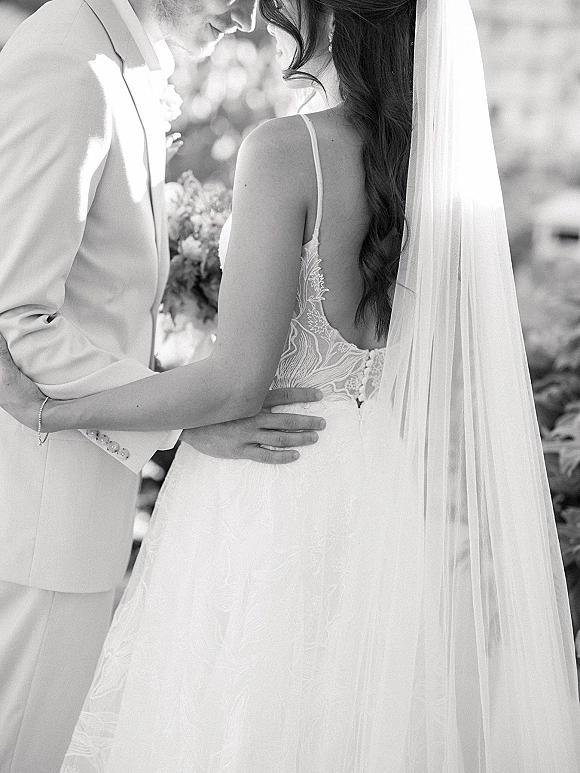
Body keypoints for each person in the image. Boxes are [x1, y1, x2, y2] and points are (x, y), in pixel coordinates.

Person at [1, 0, 580, 770]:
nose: (262, 13)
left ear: (335, 17)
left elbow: (237, 383)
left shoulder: (286, 150)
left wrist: (49, 408)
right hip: (379, 488)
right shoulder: (429, 168)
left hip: (267, 480)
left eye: (283, 1)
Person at [0, 0, 325, 770]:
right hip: (39, 525)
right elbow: (21, 317)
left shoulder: (113, 58)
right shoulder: (70, 62)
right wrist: (182, 420)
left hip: (70, 520)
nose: (249, 16)